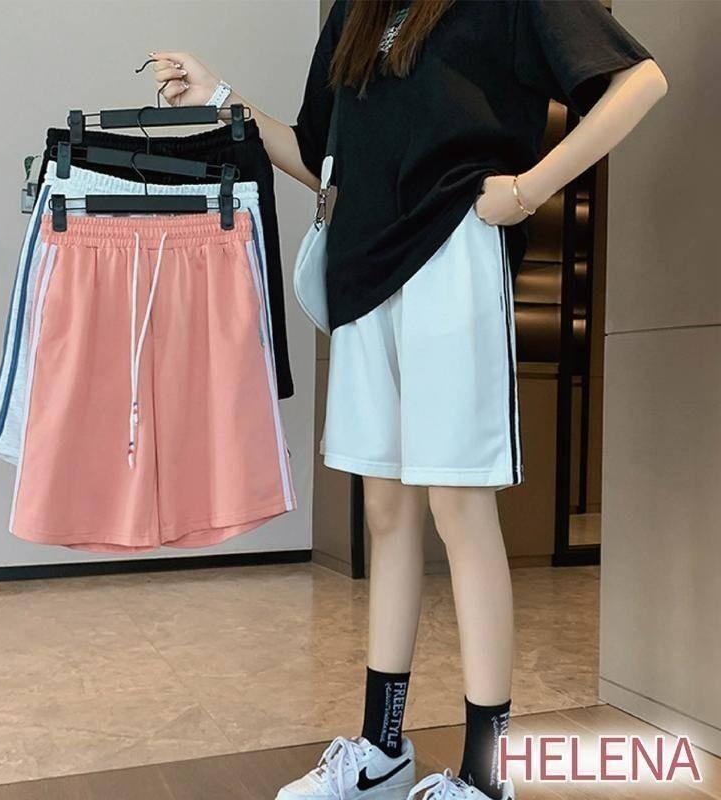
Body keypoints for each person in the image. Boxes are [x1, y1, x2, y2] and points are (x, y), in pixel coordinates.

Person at [151, 1, 666, 798]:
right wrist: (222, 98)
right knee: (385, 511)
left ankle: (487, 777)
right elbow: (317, 155)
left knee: (459, 507)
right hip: (362, 271)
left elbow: (640, 81)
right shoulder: (356, 11)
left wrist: (528, 191)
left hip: (453, 256)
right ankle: (383, 751)